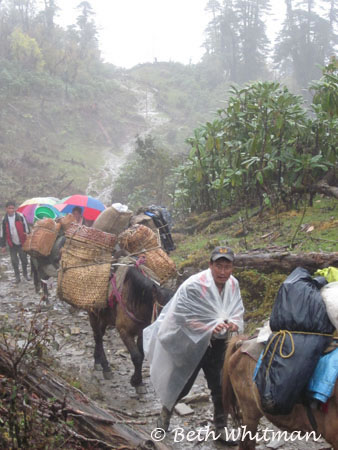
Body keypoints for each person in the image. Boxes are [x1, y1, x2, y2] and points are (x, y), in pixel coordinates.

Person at [143, 246, 244, 444]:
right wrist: (207, 327)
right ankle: (164, 415)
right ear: (210, 265)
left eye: (227, 266)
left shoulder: (233, 285)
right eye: (219, 266)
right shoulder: (194, 285)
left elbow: (237, 310)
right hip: (191, 343)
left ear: (232, 267)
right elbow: (180, 316)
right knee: (182, 383)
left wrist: (234, 323)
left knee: (221, 385)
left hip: (218, 344)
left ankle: (221, 428)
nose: (223, 272)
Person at [0, 201, 30, 283]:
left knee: (24, 259)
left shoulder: (20, 216)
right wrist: (3, 246)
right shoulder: (4, 219)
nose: (11, 210)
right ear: (6, 209)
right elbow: (2, 233)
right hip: (11, 243)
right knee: (14, 261)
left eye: (13, 208)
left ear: (15, 209)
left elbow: (26, 228)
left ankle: (25, 274)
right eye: (9, 208)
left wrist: (28, 237)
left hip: (22, 242)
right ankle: (17, 277)